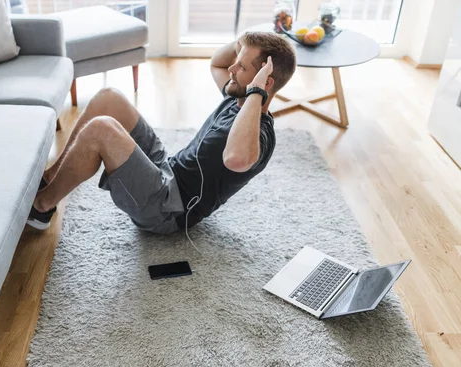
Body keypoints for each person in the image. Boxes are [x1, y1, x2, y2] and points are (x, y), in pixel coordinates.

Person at [27, 31, 297, 235]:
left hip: (169, 210)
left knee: (102, 129)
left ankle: (41, 207)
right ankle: (50, 179)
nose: (231, 69)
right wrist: (248, 41)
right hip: (168, 169)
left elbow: (236, 159)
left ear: (264, 81)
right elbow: (217, 63)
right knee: (109, 98)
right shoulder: (236, 97)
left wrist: (257, 91)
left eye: (242, 67)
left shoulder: (260, 136)